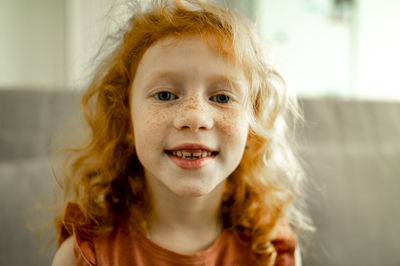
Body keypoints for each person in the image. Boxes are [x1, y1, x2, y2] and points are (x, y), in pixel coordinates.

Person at [52, 0, 311, 265]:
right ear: (126, 120)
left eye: (222, 98)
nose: (194, 117)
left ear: (252, 125)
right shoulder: (84, 255)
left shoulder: (272, 250)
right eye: (165, 94)